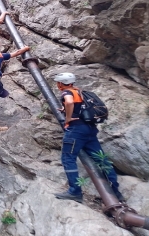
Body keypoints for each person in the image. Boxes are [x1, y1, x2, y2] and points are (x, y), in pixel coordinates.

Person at [52, 72, 126, 203]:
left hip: (76, 130)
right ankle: (116, 192)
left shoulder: (67, 93)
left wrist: (68, 118)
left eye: (58, 82)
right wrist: (67, 111)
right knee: (101, 159)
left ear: (60, 83)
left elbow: (69, 103)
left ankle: (75, 191)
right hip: (90, 129)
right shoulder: (79, 91)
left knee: (68, 158)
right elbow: (80, 107)